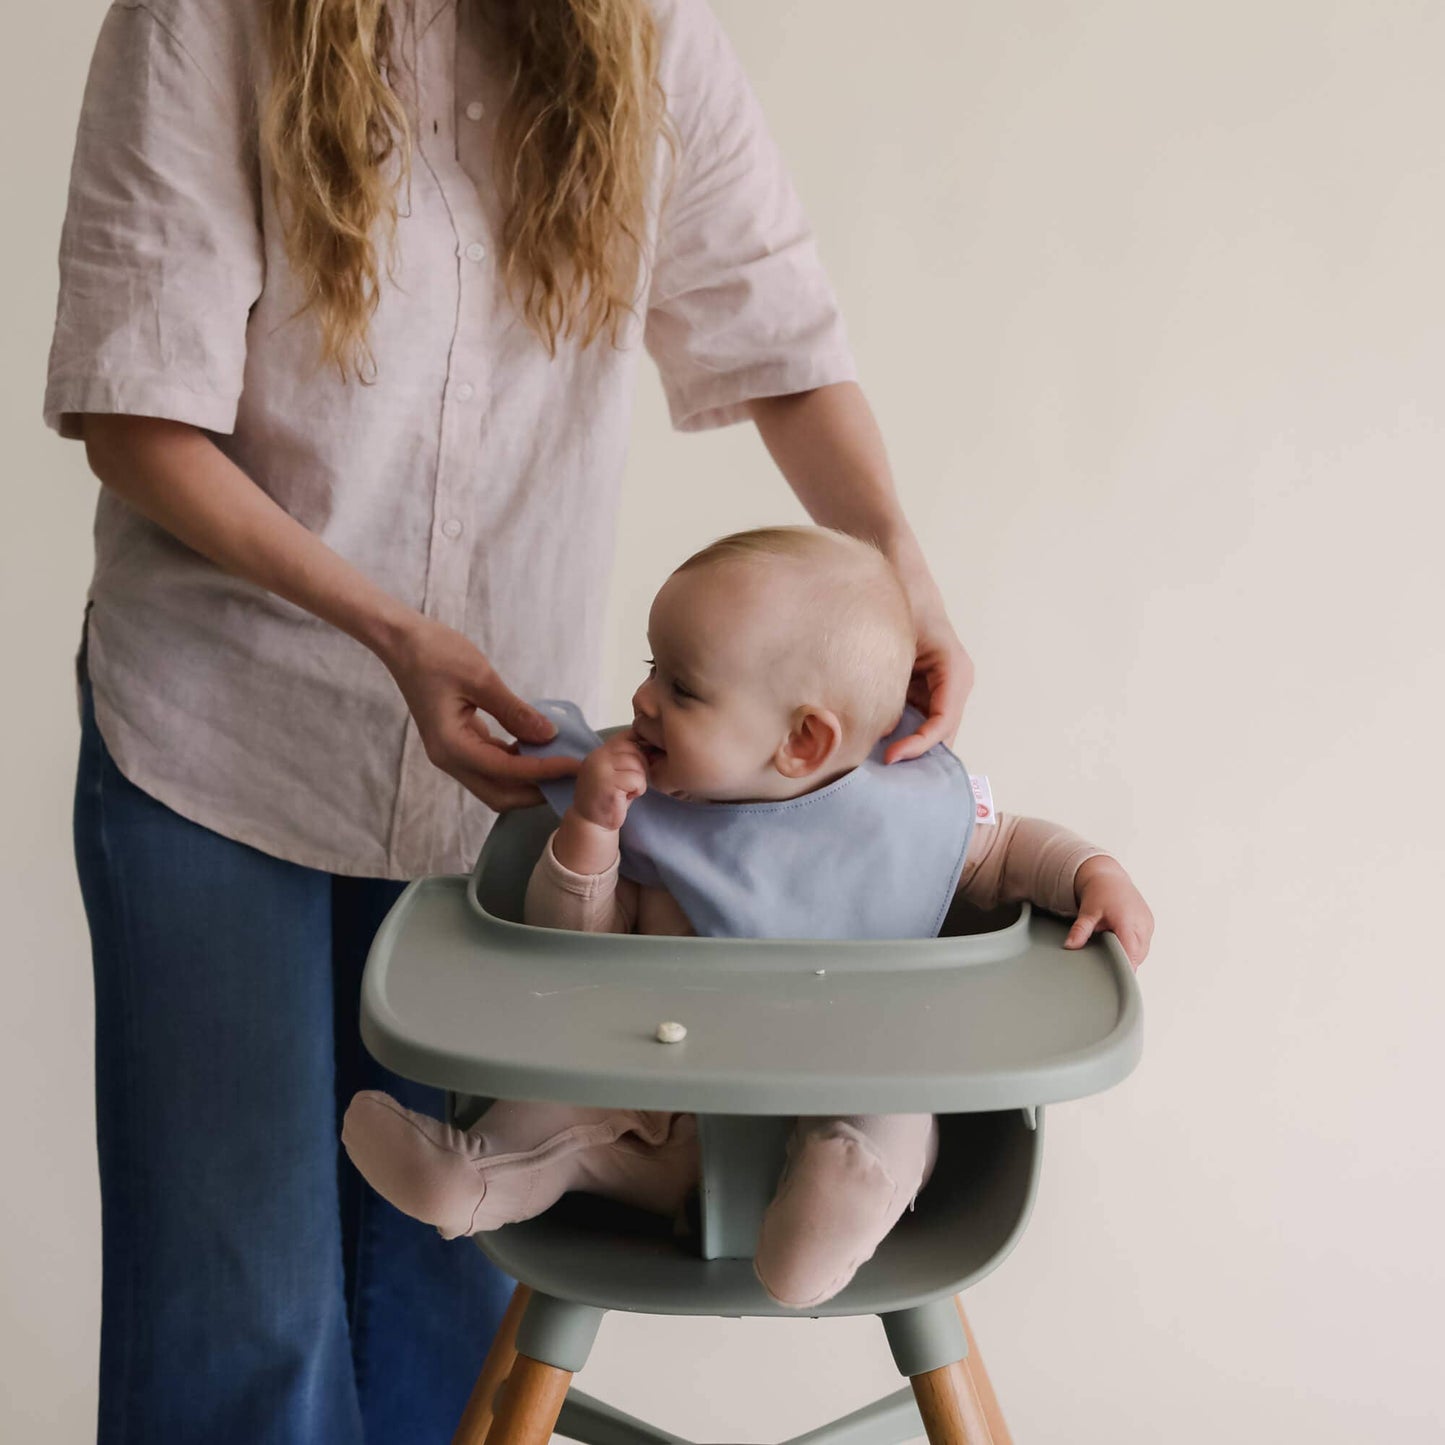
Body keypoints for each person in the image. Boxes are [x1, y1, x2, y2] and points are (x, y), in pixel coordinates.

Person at [43, 1, 972, 1440]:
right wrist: (390, 633)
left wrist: (900, 573)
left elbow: (778, 335)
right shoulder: (204, 18)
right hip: (219, 741)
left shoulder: (642, 34)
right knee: (244, 1319)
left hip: (504, 801)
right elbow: (134, 417)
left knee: (452, 1282)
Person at [342, 526, 1154, 1310]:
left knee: (889, 1112)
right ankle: (467, 1176)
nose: (640, 699)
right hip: (647, 1118)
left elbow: (1007, 847)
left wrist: (1090, 871)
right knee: (556, 1119)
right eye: (651, 667)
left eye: (681, 687)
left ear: (802, 740)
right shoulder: (647, 808)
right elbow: (571, 952)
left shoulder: (897, 812)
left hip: (842, 1088)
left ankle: (829, 1214)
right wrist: (590, 833)